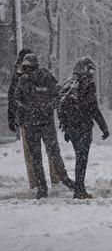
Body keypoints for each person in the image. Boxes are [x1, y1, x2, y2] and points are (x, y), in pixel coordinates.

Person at [8, 49, 74, 190]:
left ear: (35, 66)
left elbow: (58, 95)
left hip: (46, 124)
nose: (27, 70)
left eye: (29, 67)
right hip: (30, 124)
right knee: (36, 157)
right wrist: (23, 111)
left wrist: (48, 108)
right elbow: (16, 98)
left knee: (54, 153)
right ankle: (41, 187)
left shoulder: (46, 76)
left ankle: (65, 180)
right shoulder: (23, 80)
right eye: (25, 67)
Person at [58, 57, 109, 199]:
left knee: (80, 157)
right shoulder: (88, 84)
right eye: (90, 69)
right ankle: (79, 190)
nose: (92, 73)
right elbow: (94, 108)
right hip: (84, 127)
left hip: (73, 128)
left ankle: (79, 188)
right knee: (82, 158)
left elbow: (61, 107)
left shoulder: (69, 83)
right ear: (85, 69)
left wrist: (65, 128)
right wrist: (103, 127)